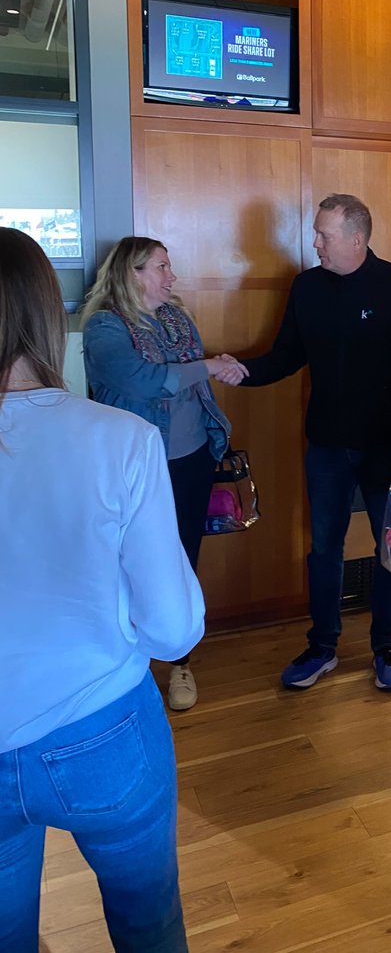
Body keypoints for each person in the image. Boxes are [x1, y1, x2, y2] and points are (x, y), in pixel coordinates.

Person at [0, 227, 205, 953]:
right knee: (148, 928)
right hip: (103, 730)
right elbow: (174, 630)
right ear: (49, 320)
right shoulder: (119, 440)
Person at [237, 193, 391, 691]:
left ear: (357, 239)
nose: (315, 244)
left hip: (387, 448)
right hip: (327, 445)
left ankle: (385, 645)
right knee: (324, 547)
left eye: (324, 236)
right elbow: (286, 356)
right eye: (316, 233)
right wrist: (241, 370)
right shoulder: (307, 288)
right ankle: (323, 645)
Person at [81, 236, 244, 711]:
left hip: (192, 457)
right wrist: (209, 367)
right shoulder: (104, 327)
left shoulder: (176, 317)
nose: (171, 277)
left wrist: (219, 365)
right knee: (127, 563)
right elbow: (143, 380)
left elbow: (190, 369)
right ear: (129, 274)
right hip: (133, 467)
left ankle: (180, 663)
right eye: (160, 267)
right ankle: (127, 666)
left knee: (181, 557)